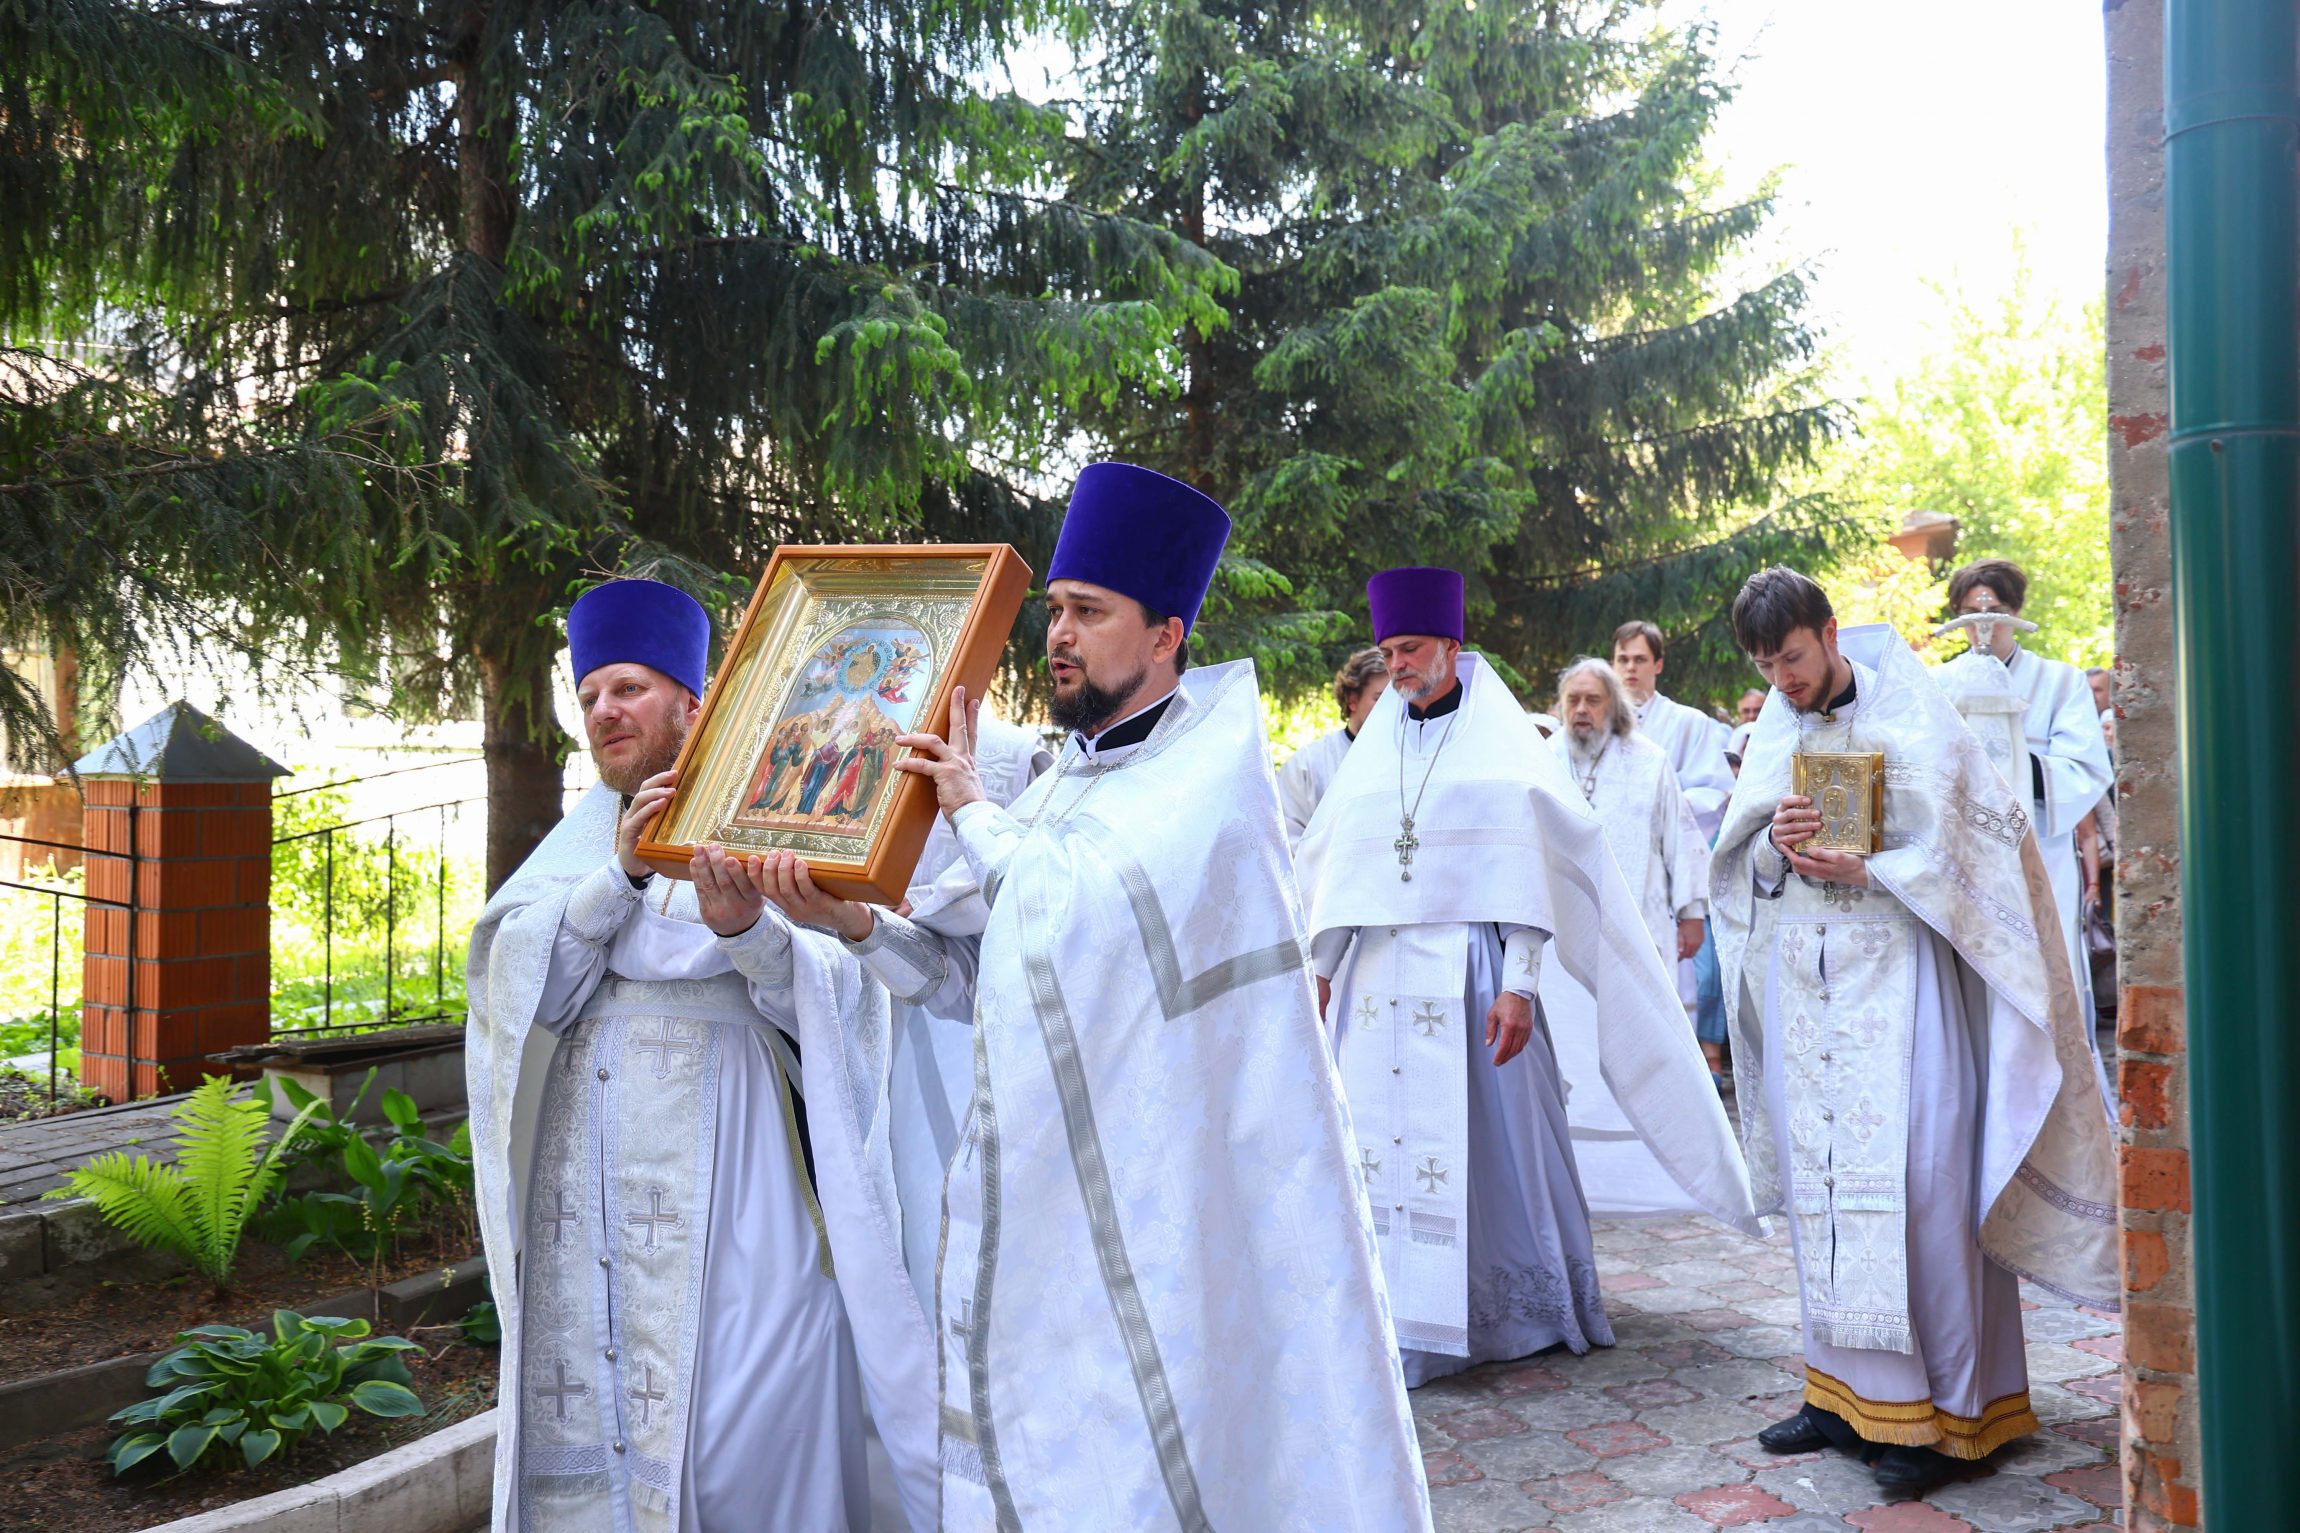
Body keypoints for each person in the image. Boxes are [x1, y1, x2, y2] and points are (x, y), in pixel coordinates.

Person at [759, 462, 1433, 1529]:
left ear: (1166, 635)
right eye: (1056, 611)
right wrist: (857, 926)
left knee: (1154, 1458)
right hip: (1051, 1204)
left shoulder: (1207, 784)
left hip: (1161, 1205)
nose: (1059, 635)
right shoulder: (1072, 776)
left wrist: (970, 810)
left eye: (1089, 612)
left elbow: (1064, 908)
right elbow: (986, 979)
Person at [463, 579, 869, 1533]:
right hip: (588, 1178)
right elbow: (526, 996)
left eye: (630, 688)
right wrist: (623, 872)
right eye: (590, 693)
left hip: (737, 1168)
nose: (605, 709)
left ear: (693, 700)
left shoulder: (775, 813)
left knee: (739, 1423)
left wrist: (747, 930)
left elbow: (840, 991)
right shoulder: (579, 847)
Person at [1712, 567, 2119, 1500]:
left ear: (1830, 632)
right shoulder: (1777, 727)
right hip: (1808, 992)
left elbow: (1983, 861)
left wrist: (1874, 870)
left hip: (1905, 989)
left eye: (1794, 656)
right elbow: (1738, 864)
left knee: (1923, 1192)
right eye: (1767, 666)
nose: (1783, 680)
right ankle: (1838, 1398)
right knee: (1822, 1190)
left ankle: (1953, 1419)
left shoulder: (1918, 718)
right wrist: (1775, 845)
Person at [1295, 568, 1754, 1387]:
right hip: (1378, 987)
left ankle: (1502, 1312)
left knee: (1490, 1145)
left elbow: (1529, 873)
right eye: (1388, 652)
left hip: (1473, 974)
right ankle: (1394, 1309)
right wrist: (1322, 968)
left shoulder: (1504, 747)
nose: (1397, 665)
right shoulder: (1377, 747)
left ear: (1450, 646)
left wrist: (1520, 985)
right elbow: (1342, 865)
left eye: (1410, 649)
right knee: (1377, 1145)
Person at [1538, 655, 1730, 1211]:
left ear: (1613, 706)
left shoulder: (1649, 761)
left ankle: (1646, 1154)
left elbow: (1681, 839)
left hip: (1638, 929)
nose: (1581, 710)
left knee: (1639, 1036)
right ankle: (1573, 1157)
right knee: (1570, 1042)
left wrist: (1691, 912)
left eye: (1592, 700)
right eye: (1573, 700)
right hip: (1560, 937)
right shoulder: (1544, 760)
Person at [1937, 560, 2114, 1092]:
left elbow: (2086, 768)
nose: (1983, 624)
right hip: (1965, 856)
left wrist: (2013, 765)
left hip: (2040, 851)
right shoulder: (1938, 684)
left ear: (2015, 612)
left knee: (2041, 970)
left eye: (1994, 610)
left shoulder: (2059, 681)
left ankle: (2053, 1093)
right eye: (1970, 612)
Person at [1277, 647, 1390, 851]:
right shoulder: (1309, 764)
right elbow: (1285, 838)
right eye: (1380, 698)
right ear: (1352, 700)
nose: (1392, 708)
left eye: (1398, 699)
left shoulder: (1412, 760)